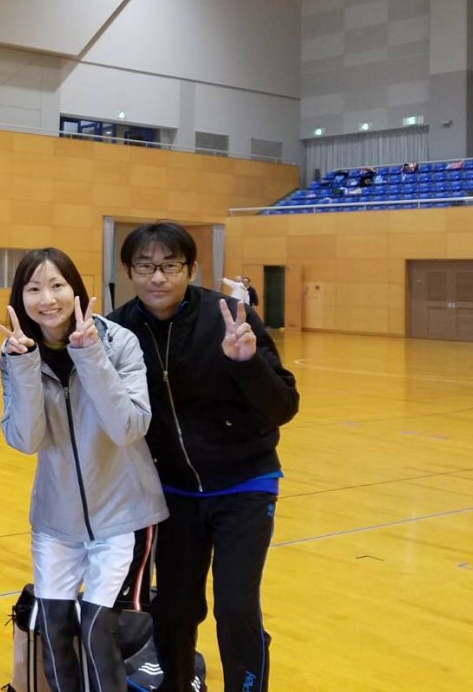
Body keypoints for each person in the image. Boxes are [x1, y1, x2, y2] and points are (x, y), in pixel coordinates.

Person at [107, 221, 299, 692]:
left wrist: (247, 364)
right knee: (174, 607)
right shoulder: (118, 329)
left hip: (244, 484)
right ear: (128, 271)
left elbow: (283, 407)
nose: (157, 277)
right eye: (145, 267)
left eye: (170, 266)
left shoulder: (228, 317)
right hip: (171, 492)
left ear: (191, 269)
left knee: (235, 606)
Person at [0, 248, 167, 692]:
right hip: (56, 519)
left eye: (57, 285)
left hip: (122, 513)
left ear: (76, 290)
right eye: (34, 288)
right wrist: (23, 365)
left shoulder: (118, 341)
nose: (47, 299)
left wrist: (90, 355)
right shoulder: (16, 354)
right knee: (53, 633)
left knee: (96, 632)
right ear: (20, 297)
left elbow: (128, 427)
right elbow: (26, 440)